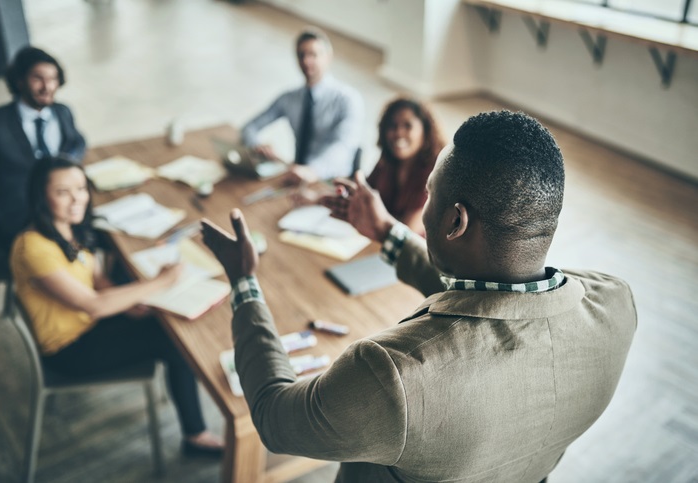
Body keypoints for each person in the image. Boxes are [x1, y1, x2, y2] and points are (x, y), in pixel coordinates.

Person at [201, 111, 637, 482]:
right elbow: (495, 301)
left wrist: (244, 284)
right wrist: (387, 232)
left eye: (430, 193)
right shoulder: (615, 304)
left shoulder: (393, 376)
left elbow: (277, 419)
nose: (424, 204)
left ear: (455, 222)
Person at [10, 157, 223, 456]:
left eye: (81, 188)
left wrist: (128, 303)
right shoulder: (33, 247)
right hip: (69, 349)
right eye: (62, 192)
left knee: (163, 323)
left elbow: (95, 278)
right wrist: (161, 282)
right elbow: (94, 305)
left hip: (86, 323)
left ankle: (194, 430)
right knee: (175, 341)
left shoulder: (67, 229)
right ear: (41, 196)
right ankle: (195, 436)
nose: (77, 199)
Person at [0, 46, 86, 269]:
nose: (47, 87)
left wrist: (65, 168)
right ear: (19, 80)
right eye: (38, 78)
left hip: (63, 212)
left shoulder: (62, 112)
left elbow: (78, 141)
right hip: (21, 221)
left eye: (53, 79)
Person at [241, 28, 364, 185]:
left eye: (313, 54)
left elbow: (343, 147)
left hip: (332, 181)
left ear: (328, 57)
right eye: (301, 55)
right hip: (297, 177)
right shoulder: (289, 98)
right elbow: (249, 127)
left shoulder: (348, 99)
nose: (306, 61)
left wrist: (312, 171)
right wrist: (257, 145)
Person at [366, 97, 444, 235]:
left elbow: (407, 231)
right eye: (392, 126)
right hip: (379, 241)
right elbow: (363, 195)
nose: (398, 133)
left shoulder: (436, 172)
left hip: (415, 252)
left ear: (425, 131)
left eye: (407, 126)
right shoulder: (387, 162)